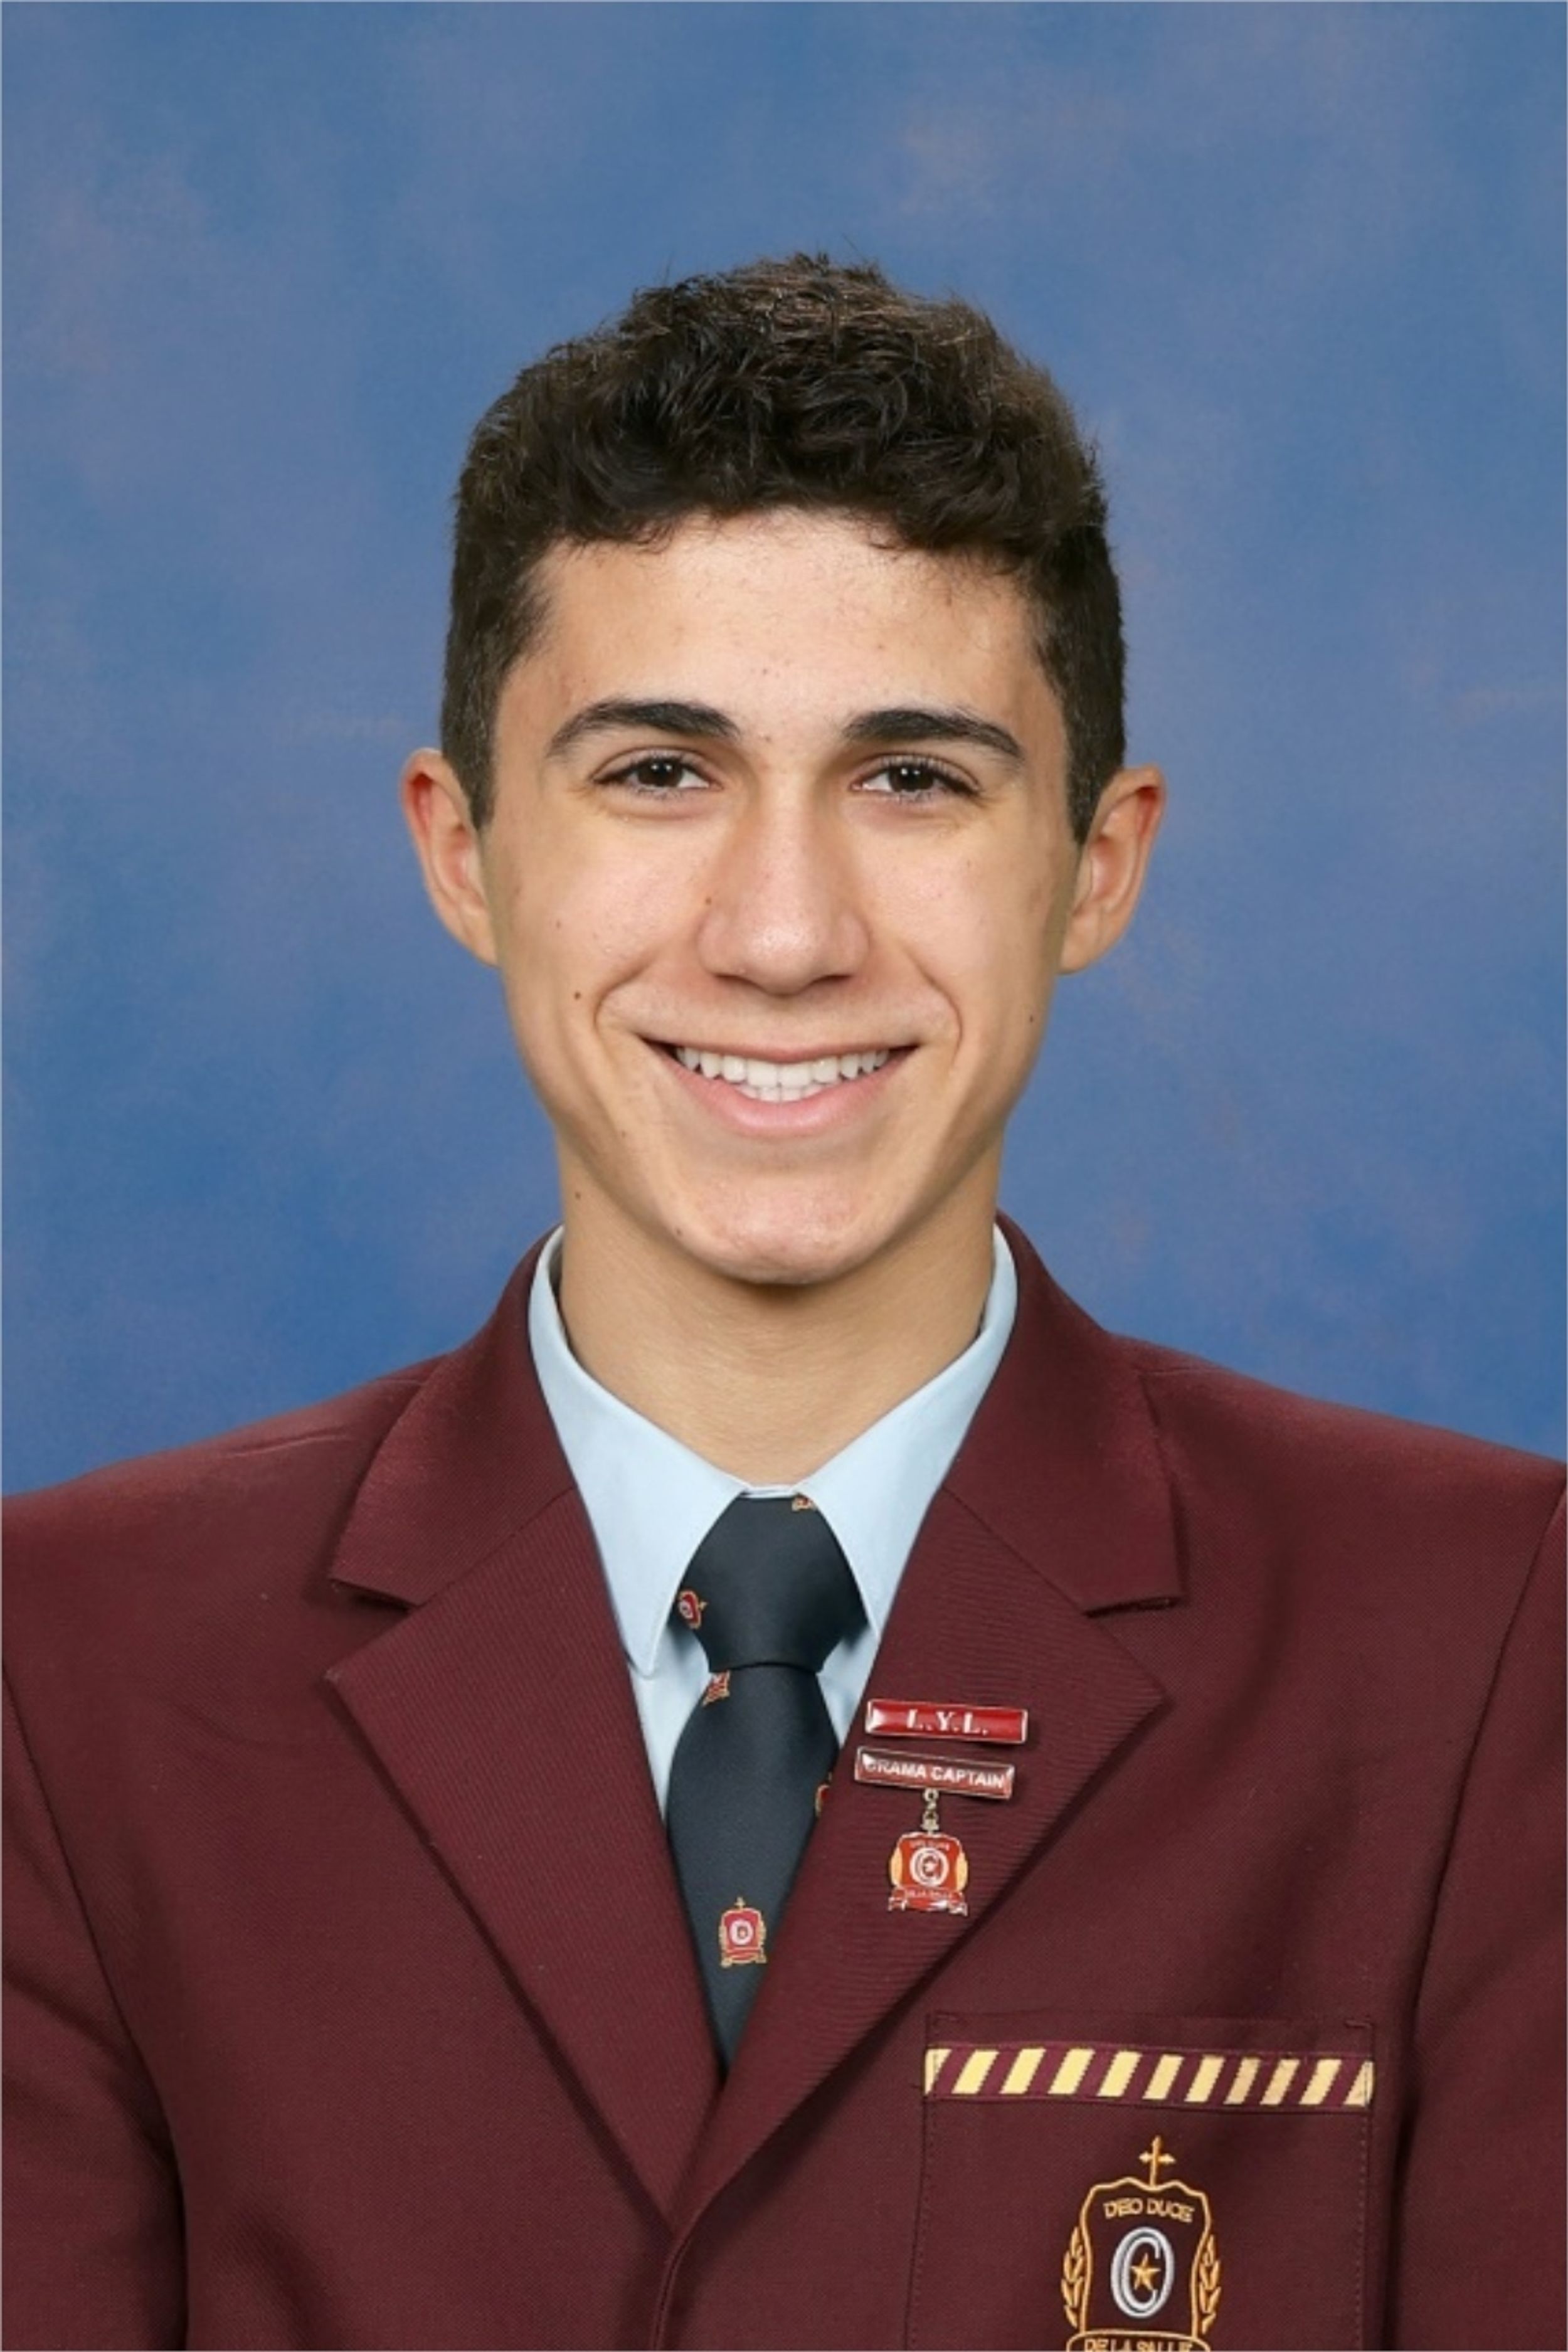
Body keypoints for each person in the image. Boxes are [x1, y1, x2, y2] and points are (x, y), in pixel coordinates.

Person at [4, 254, 1560, 2352]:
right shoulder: (64, 1672)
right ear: (463, 851)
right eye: (659, 771)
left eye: (913, 778)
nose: (782, 931)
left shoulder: (1488, 1640)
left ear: (1096, 864)